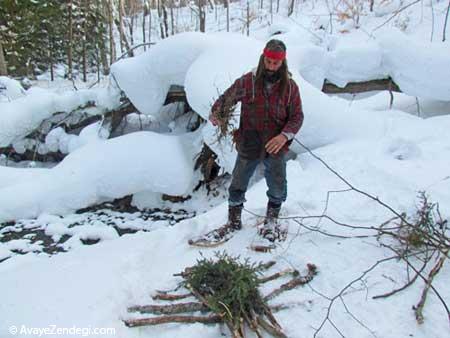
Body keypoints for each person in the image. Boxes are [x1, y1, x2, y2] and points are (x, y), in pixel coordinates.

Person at [209, 39, 304, 242]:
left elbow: (297, 117)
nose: (271, 67)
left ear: (283, 63)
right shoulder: (248, 81)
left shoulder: (290, 87)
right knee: (238, 181)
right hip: (249, 140)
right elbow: (227, 98)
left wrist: (284, 136)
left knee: (277, 184)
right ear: (263, 59)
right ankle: (233, 221)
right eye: (268, 62)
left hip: (275, 144)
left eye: (275, 63)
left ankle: (271, 222)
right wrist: (217, 113)